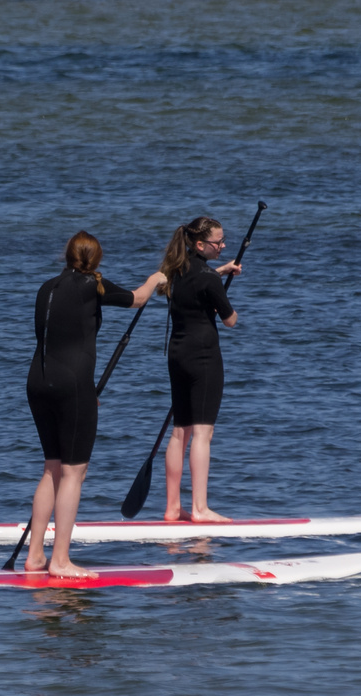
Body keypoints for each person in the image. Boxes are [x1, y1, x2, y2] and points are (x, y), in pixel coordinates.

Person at [23, 231, 160, 576]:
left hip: (38, 383)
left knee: (52, 467)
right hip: (72, 386)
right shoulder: (91, 285)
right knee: (74, 472)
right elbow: (138, 298)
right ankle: (61, 561)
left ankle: (35, 555)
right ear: (95, 260)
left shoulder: (46, 287)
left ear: (66, 255)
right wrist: (157, 277)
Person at [151, 217, 242, 523]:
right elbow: (230, 320)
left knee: (180, 433)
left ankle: (173, 507)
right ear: (201, 244)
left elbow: (197, 282)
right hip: (203, 357)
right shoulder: (208, 280)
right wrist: (221, 301)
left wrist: (221, 270)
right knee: (203, 433)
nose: (224, 245)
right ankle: (201, 508)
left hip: (177, 355)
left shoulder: (176, 270)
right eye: (219, 242)